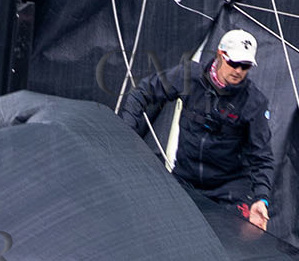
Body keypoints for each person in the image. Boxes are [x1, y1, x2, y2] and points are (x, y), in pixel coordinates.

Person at [117, 29, 274, 231]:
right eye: (234, 63)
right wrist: (125, 134)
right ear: (220, 54)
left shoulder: (254, 102)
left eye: (245, 66)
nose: (238, 71)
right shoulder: (189, 76)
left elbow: (262, 156)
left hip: (228, 191)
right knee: (155, 227)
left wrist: (261, 198)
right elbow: (141, 93)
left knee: (244, 235)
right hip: (185, 180)